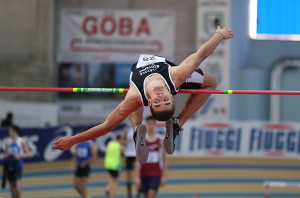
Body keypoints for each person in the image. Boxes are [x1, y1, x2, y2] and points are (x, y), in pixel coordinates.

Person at [53, 26, 234, 164]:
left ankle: (138, 129)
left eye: (158, 102)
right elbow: (200, 54)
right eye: (164, 100)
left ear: (151, 102)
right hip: (168, 73)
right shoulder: (177, 76)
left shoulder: (138, 97)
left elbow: (107, 125)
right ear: (172, 97)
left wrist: (73, 140)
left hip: (141, 89)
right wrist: (219, 35)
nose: (160, 95)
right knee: (211, 82)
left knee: (134, 101)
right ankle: (174, 124)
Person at [135, 116, 168, 198]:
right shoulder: (142, 141)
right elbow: (138, 160)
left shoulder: (160, 140)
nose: (151, 126)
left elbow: (165, 159)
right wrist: (137, 177)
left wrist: (164, 175)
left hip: (156, 173)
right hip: (144, 172)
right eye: (149, 124)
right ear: (146, 125)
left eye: (153, 124)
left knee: (151, 195)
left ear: (155, 125)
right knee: (146, 196)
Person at [3, 125, 31, 198]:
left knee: (17, 184)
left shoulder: (21, 141)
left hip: (17, 165)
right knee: (11, 185)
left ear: (15, 131)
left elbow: (28, 154)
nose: (9, 132)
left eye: (10, 130)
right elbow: (5, 152)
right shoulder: (7, 142)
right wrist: (5, 155)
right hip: (9, 164)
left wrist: (20, 156)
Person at [70, 129, 97, 198]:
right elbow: (75, 155)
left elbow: (94, 156)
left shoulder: (90, 144)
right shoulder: (78, 144)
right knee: (76, 185)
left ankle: (85, 196)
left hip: (86, 167)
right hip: (79, 167)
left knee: (84, 184)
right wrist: (72, 164)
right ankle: (85, 196)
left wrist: (85, 163)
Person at [104, 134, 125, 198]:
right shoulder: (119, 146)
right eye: (122, 140)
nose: (123, 141)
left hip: (108, 164)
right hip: (115, 165)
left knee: (113, 178)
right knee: (115, 181)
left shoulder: (110, 143)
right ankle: (110, 194)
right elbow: (125, 151)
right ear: (120, 139)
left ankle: (108, 188)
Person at [122, 125, 137, 198]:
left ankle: (138, 194)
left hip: (136, 154)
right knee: (128, 176)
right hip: (129, 154)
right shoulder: (127, 129)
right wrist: (125, 135)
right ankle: (129, 195)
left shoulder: (139, 127)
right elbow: (121, 142)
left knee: (138, 174)